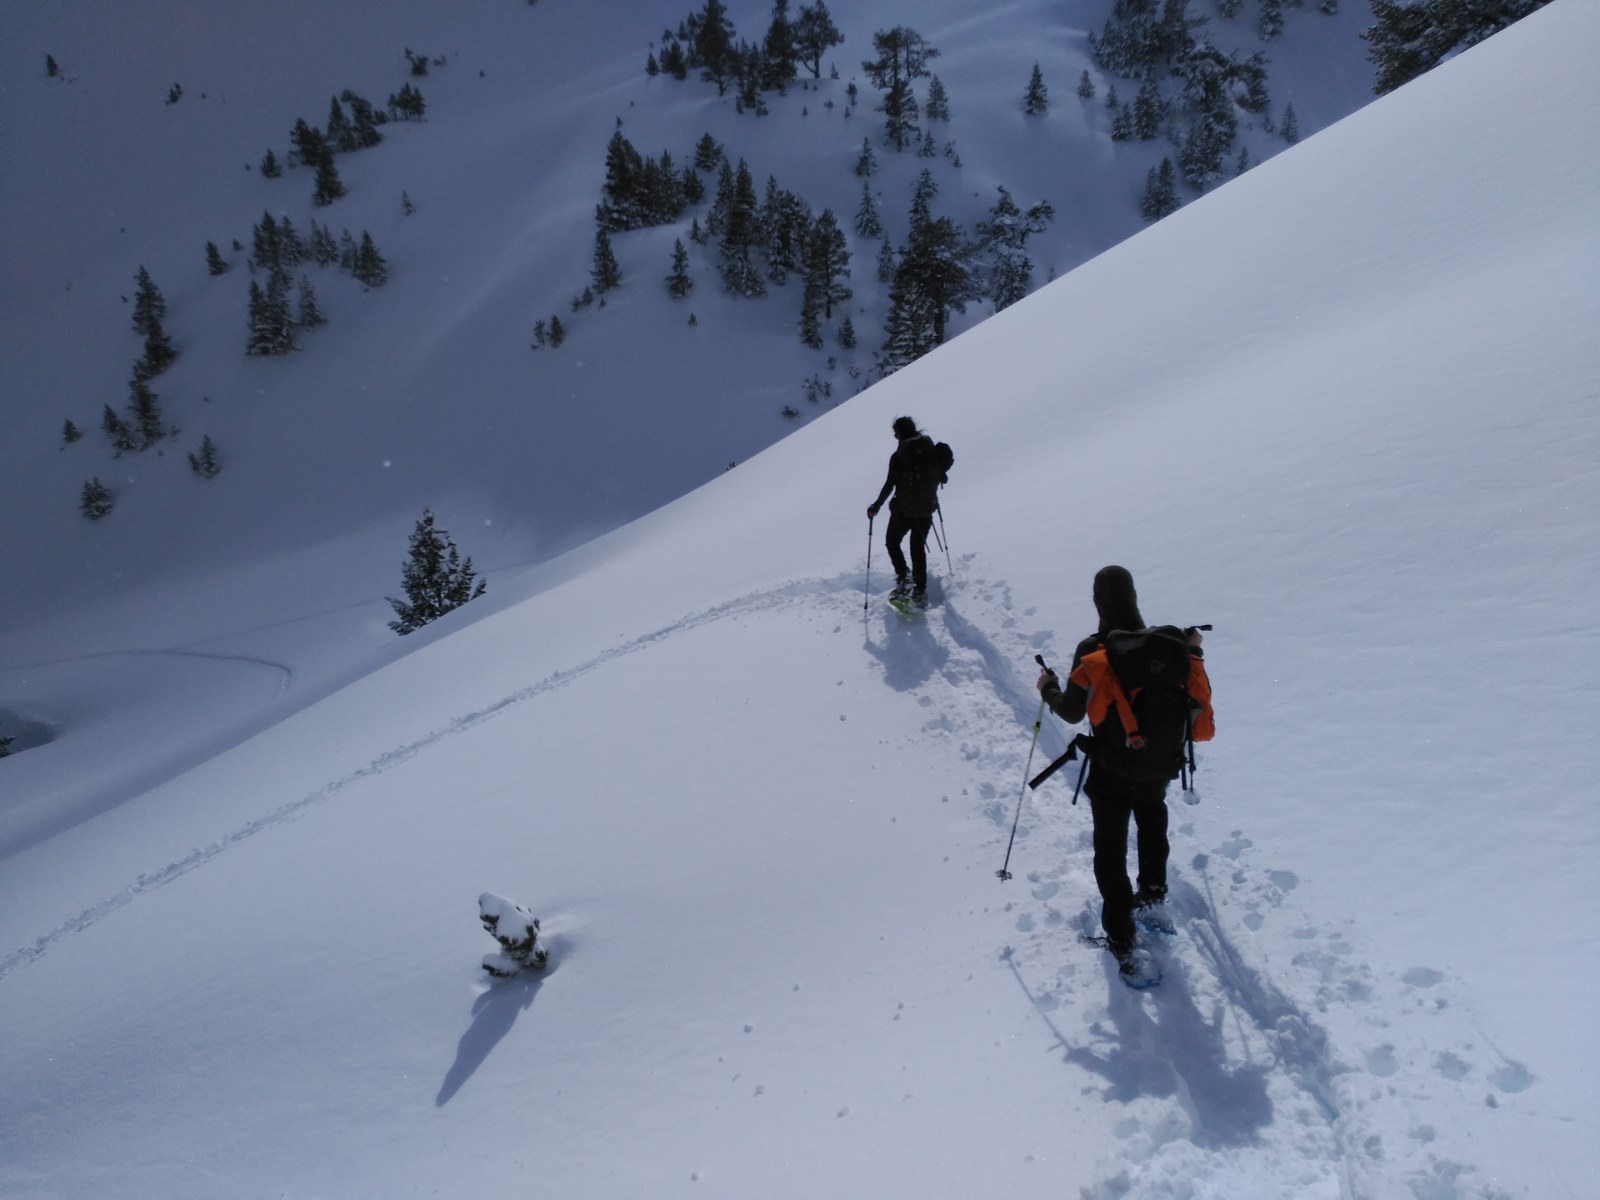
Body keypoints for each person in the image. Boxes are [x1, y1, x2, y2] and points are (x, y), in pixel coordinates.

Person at [1034, 565, 1208, 975]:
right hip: (1158, 765)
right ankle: (1153, 898)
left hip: (1112, 765)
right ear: (1134, 596)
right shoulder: (1167, 644)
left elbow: (1074, 713)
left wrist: (1048, 688)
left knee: (1110, 851)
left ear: (1098, 601)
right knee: (1151, 820)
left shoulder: (1094, 648)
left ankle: (1122, 940)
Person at [866, 416, 943, 607]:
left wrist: (876, 506)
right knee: (917, 549)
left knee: (892, 542)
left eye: (895, 433)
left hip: (903, 510)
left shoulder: (900, 455)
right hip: (926, 509)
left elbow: (890, 484)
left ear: (899, 434)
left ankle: (904, 577)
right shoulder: (930, 449)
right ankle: (920, 593)